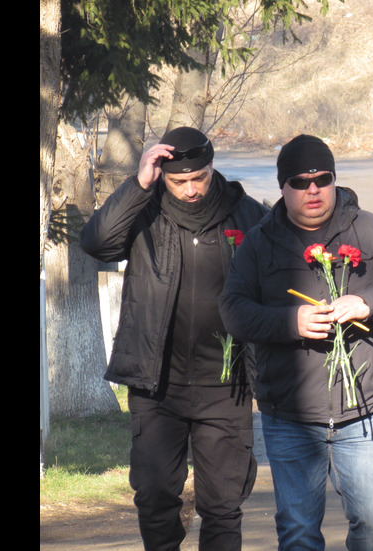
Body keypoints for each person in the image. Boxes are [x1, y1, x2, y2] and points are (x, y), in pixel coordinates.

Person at [218, 134, 373, 550]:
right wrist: (289, 320)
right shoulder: (261, 240)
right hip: (290, 415)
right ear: (283, 187)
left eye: (322, 178)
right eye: (299, 181)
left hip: (363, 410)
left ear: (334, 181)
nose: (312, 189)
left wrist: (367, 303)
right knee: (298, 533)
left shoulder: (367, 228)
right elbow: (232, 310)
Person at [79, 126, 267, 550]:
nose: (190, 189)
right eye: (179, 181)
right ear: (163, 176)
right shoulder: (145, 211)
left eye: (197, 178)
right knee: (155, 496)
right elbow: (96, 243)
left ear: (211, 167)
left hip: (226, 384)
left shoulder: (247, 215)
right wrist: (139, 183)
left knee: (223, 504)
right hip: (156, 383)